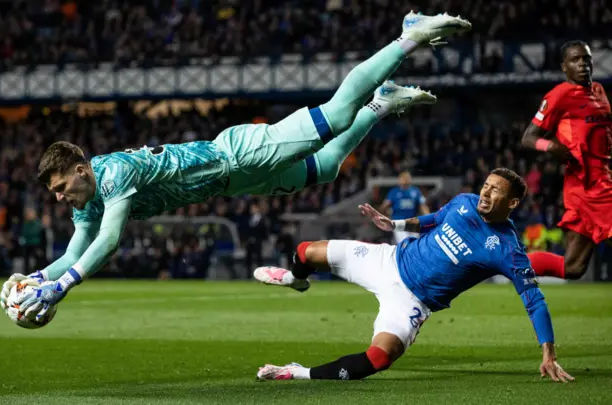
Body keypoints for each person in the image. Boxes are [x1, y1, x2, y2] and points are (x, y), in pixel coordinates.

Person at [0, 12, 472, 321]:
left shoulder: (114, 173)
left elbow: (107, 242)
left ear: (81, 169)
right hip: (237, 181)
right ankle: (381, 105)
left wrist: (63, 285)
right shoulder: (87, 200)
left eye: (62, 186)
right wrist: (39, 278)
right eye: (55, 194)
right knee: (324, 168)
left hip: (238, 153)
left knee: (335, 113)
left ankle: (407, 35)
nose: (61, 198)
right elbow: (76, 248)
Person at [253, 168, 573, 383]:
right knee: (306, 251)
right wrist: (394, 225)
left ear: (513, 203)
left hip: (412, 300)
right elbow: (432, 219)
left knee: (379, 357)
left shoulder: (506, 248)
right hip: (388, 260)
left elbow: (534, 301)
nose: (486, 195)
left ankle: (297, 372)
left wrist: (549, 352)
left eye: (496, 192)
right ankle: (295, 279)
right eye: (486, 186)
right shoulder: (464, 202)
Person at [521, 40, 612, 280]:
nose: (582, 64)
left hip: (600, 180)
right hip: (588, 186)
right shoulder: (560, 95)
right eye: (575, 60)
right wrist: (550, 146)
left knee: (573, 267)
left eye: (586, 58)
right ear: (564, 66)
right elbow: (528, 138)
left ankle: (505, 261)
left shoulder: (599, 91)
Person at [380, 170, 429, 244]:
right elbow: (384, 206)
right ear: (399, 180)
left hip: (412, 221)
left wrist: (428, 217)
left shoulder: (415, 191)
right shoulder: (394, 192)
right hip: (398, 221)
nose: (405, 180)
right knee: (404, 243)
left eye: (407, 178)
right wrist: (386, 215)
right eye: (403, 178)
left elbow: (423, 205)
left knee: (415, 244)